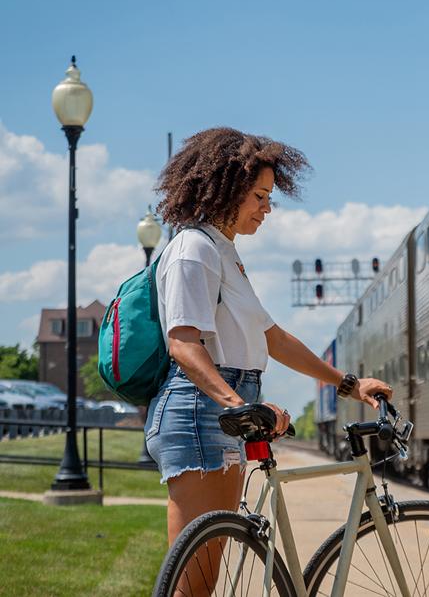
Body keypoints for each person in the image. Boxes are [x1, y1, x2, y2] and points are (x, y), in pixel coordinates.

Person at [145, 127, 391, 551]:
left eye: (269, 197)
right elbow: (183, 344)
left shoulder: (223, 252)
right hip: (201, 414)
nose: (267, 208)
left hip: (219, 411)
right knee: (194, 580)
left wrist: (349, 385)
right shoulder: (193, 249)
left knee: (209, 569)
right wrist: (241, 406)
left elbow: (273, 338)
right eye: (259, 196)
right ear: (226, 189)